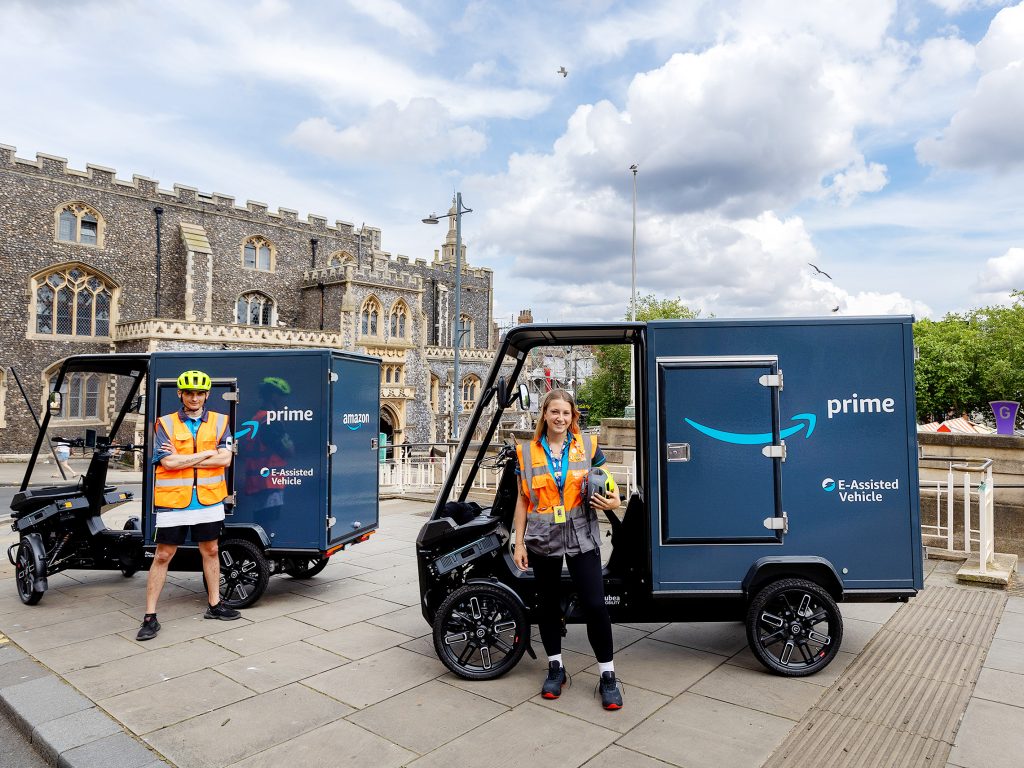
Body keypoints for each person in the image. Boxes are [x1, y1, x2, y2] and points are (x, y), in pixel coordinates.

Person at [513, 388, 624, 710]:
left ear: (573, 417)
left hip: (582, 536)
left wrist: (616, 501)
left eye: (566, 413)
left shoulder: (588, 445)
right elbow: (523, 501)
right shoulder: (526, 453)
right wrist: (519, 543)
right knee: (547, 605)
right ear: (544, 415)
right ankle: (556, 667)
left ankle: (608, 675)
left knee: (595, 605)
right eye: (554, 412)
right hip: (542, 537)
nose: (560, 418)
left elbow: (610, 483)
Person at [137, 369, 241, 641]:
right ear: (180, 394)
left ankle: (215, 605)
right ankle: (150, 617)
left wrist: (188, 457)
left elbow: (225, 460)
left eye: (199, 393)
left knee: (211, 550)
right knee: (162, 556)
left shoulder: (220, 422)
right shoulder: (165, 423)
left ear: (206, 395)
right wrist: (208, 453)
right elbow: (168, 463)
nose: (194, 398)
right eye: (189, 393)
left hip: (208, 499)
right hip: (174, 501)